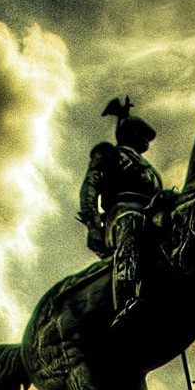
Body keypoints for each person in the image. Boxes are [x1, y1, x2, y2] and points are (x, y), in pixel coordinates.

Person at [78, 96, 164, 325]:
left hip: (150, 219)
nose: (145, 140)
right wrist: (93, 224)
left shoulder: (151, 171)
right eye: (141, 134)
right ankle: (126, 304)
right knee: (132, 222)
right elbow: (90, 186)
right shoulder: (110, 154)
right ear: (129, 133)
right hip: (120, 218)